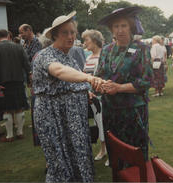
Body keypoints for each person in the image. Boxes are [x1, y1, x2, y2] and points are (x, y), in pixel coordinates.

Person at [32, 12, 104, 182]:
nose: (71, 36)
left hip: (73, 120)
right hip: (54, 118)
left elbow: (71, 82)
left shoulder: (69, 57)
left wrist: (85, 91)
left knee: (78, 157)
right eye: (65, 32)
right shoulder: (45, 55)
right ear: (55, 34)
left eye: (73, 32)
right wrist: (88, 78)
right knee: (60, 161)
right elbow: (59, 71)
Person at [96, 6, 154, 167]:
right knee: (116, 155)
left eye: (123, 25)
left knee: (134, 154)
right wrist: (102, 84)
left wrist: (119, 88)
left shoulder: (142, 49)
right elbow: (99, 74)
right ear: (111, 29)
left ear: (131, 26)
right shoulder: (106, 50)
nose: (120, 30)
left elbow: (146, 81)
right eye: (116, 26)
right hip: (110, 111)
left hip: (133, 112)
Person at [0, 29, 31, 142]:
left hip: (3, 84)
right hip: (18, 81)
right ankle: (20, 132)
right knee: (19, 107)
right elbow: (26, 64)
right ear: (8, 36)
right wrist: (29, 79)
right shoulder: (18, 47)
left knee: (6, 109)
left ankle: (9, 136)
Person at [82, 29, 107, 164]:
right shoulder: (88, 57)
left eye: (87, 39)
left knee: (104, 123)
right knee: (97, 123)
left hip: (102, 96)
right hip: (91, 96)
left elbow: (104, 77)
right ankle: (103, 149)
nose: (85, 42)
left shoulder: (104, 56)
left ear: (95, 40)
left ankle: (108, 149)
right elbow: (85, 76)